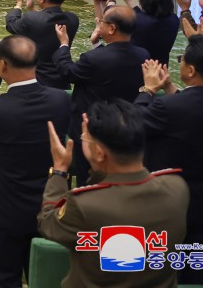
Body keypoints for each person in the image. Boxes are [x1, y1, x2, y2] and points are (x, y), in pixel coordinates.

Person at [38, 100, 189, 288]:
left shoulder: (84, 206)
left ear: (100, 153)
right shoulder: (176, 188)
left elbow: (48, 222)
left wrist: (59, 170)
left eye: (85, 138)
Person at [0, 35, 70, 288]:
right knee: (42, 275)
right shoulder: (61, 99)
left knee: (4, 277)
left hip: (4, 206)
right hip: (49, 201)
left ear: (2, 65)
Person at [136, 35, 203, 284]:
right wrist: (171, 89)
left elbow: (131, 125)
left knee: (156, 268)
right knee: (194, 269)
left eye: (181, 60)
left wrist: (148, 89)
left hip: (163, 202)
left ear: (191, 70)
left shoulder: (168, 108)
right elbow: (195, 109)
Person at [53, 5, 149, 185]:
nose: (99, 24)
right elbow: (108, 64)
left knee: (88, 177)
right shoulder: (143, 55)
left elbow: (67, 72)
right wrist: (97, 44)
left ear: (112, 28)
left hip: (92, 129)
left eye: (101, 22)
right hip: (124, 123)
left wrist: (64, 44)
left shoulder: (92, 59)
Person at [5, 0, 80, 89]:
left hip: (39, 82)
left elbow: (11, 25)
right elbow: (48, 22)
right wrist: (33, 9)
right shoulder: (73, 19)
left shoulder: (31, 19)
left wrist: (19, 3)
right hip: (62, 82)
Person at [115, 0, 178, 65]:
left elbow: (110, 19)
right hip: (161, 67)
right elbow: (145, 18)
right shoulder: (174, 19)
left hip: (137, 67)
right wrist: (128, 0)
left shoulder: (139, 22)